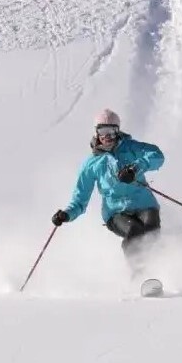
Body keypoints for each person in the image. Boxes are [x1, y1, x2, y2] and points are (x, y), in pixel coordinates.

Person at [51, 109, 165, 269]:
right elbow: (80, 200)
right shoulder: (91, 164)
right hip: (116, 213)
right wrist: (66, 215)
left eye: (111, 131)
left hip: (144, 204)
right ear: (96, 133)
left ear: (118, 131)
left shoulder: (131, 147)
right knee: (135, 230)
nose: (107, 136)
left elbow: (157, 155)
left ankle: (159, 269)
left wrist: (135, 168)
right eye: (102, 131)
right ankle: (139, 273)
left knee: (151, 227)